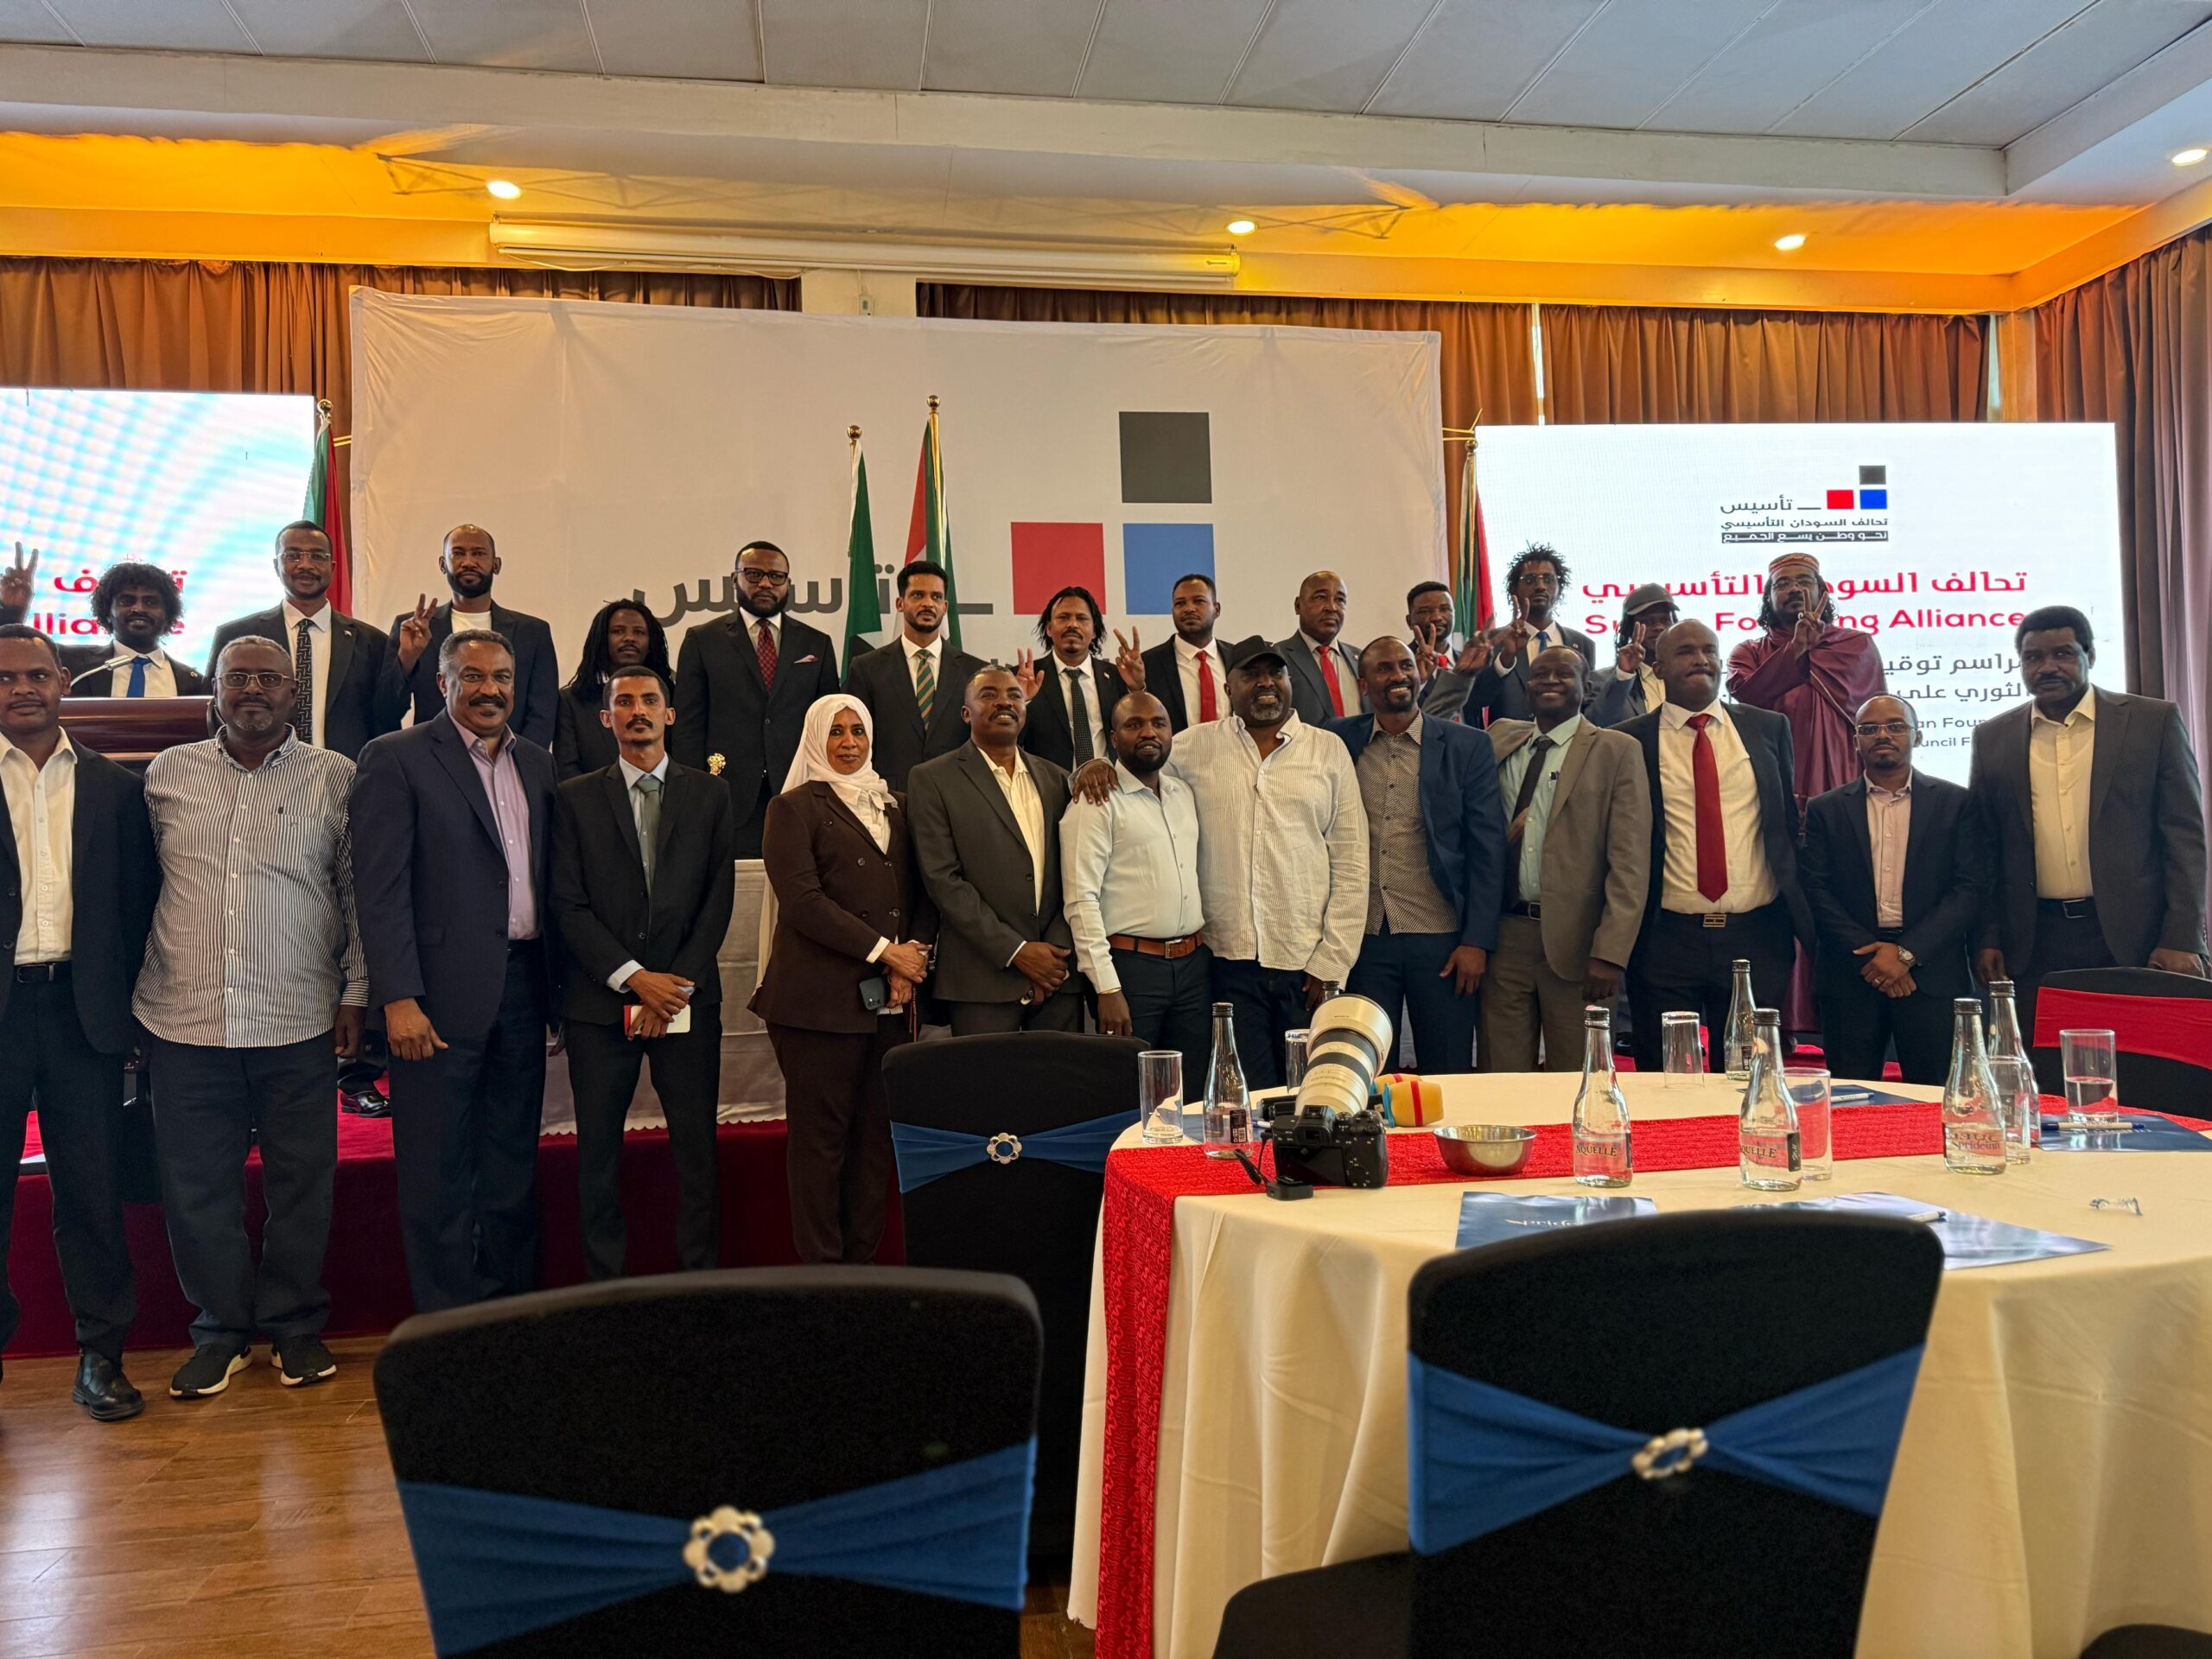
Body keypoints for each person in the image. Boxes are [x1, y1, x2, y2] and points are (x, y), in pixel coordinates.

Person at [136, 637, 366, 1397]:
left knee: (302, 1185)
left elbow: (355, 893)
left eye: (270, 678)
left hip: (298, 1015)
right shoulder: (169, 773)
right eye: (238, 677)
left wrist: (357, 992)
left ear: (294, 693)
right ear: (215, 689)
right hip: (185, 1018)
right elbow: (139, 889)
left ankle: (295, 1325)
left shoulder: (334, 776)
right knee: (198, 1189)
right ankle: (221, 1331)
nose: (253, 690)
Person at [352, 631, 560, 1313]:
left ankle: (508, 1310)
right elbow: (378, 891)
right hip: (435, 1000)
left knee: (510, 1163)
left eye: (501, 677)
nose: (489, 690)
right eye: (471, 676)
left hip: (525, 990)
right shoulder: (396, 757)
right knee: (436, 1168)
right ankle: (446, 1321)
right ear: (442, 684)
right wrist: (399, 998)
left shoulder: (538, 763)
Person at [1076, 638, 1367, 1087]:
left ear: (1290, 681)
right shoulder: (1192, 746)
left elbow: (1351, 863)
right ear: (1228, 687)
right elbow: (1138, 770)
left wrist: (1332, 962)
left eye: (1275, 673)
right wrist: (1092, 769)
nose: (1265, 683)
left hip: (1308, 964)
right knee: (1245, 1097)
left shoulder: (1328, 750)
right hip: (1226, 966)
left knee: (1312, 1092)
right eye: (1251, 675)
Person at [0, 626, 157, 1421]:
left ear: (64, 679)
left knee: (91, 1196)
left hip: (82, 1017)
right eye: (5, 678)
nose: (22, 688)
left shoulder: (116, 788)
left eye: (36, 674)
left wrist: (133, 1017)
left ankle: (102, 1356)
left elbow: (137, 910)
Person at [551, 664, 734, 1281]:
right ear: (606, 718)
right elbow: (567, 904)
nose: (638, 711)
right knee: (598, 1155)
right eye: (624, 702)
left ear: (669, 714)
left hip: (685, 1002)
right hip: (600, 1006)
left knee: (697, 1153)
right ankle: (606, 1288)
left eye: (650, 700)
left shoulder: (710, 795)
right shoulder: (574, 798)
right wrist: (635, 979)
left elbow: (717, 901)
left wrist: (671, 988)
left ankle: (697, 1282)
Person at [754, 695, 935, 1263]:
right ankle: (823, 1281)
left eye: (858, 730)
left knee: (874, 1144)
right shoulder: (792, 808)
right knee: (821, 1147)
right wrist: (887, 954)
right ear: (815, 739)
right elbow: (803, 902)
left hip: (891, 1004)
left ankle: (862, 1275)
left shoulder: (896, 805)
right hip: (816, 1007)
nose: (849, 742)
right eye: (836, 731)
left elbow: (923, 892)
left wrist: (913, 959)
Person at [1968, 605, 2208, 1028]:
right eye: (2033, 657)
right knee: (2044, 1063)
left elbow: (2184, 838)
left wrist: (2182, 936)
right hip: (2033, 941)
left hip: (2133, 936)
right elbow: (1986, 849)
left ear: (2090, 655)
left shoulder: (2152, 722)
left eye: (2062, 653)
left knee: (2138, 1060)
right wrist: (1988, 937)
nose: (2047, 667)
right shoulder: (1993, 738)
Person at [1618, 620, 1813, 1071]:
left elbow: (1784, 825)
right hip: (1665, 940)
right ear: (1658, 668)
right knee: (1666, 1084)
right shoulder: (1629, 739)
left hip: (1756, 938)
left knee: (1750, 1082)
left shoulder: (1768, 728)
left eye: (1709, 650)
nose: (1701, 660)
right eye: (1686, 651)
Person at [1330, 638, 1504, 1073]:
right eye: (1385, 668)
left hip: (1441, 938)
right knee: (1369, 1069)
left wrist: (1476, 941)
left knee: (1447, 1070)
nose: (1399, 676)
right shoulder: (1337, 740)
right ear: (1364, 684)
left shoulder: (1468, 746)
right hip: (1365, 938)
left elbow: (1487, 850)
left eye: (1406, 666)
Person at [1802, 696, 1988, 1084]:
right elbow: (1815, 890)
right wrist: (1875, 958)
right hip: (1851, 974)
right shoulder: (1826, 809)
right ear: (1855, 741)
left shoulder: (1956, 803)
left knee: (1935, 1096)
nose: (1882, 735)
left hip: (1932, 974)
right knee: (1851, 1098)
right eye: (1869, 729)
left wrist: (1906, 954)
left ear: (1917, 736)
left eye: (1896, 726)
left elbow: (1969, 889)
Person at [1482, 646, 1651, 1071]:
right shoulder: (1500, 738)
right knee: (1500, 1078)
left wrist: (1610, 953)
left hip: (1579, 944)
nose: (1550, 681)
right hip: (1505, 939)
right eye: (1540, 675)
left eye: (1563, 674)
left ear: (1586, 687)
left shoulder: (1616, 750)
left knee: (1578, 1077)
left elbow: (1630, 862)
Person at [908, 666, 1079, 1033]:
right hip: (981, 978)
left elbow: (1076, 873)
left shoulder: (1057, 778)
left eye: (1015, 695)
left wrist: (1052, 951)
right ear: (965, 713)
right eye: (988, 695)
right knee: (986, 1074)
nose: (1004, 702)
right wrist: (1017, 951)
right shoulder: (932, 779)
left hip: (1057, 974)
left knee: (1061, 1074)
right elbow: (943, 880)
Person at [1061, 690, 1208, 1083]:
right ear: (1113, 737)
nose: (1149, 732)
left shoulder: (1183, 794)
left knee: (1191, 1089)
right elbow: (1081, 900)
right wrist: (1107, 988)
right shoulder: (1095, 801)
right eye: (1134, 724)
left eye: (1159, 724)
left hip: (1193, 967)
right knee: (1131, 1090)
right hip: (1132, 970)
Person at [671, 539, 842, 856]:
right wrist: (693, 794)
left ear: (788, 583)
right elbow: (687, 727)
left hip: (799, 790)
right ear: (734, 579)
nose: (765, 583)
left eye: (776, 576)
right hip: (727, 794)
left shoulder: (816, 643)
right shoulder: (703, 640)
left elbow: (829, 724)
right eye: (754, 574)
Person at [206, 522, 396, 758]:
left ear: (332, 567)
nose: (305, 565)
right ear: (276, 566)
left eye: (317, 556)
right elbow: (212, 713)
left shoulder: (372, 642)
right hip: (255, 771)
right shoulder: (235, 636)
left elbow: (386, 717)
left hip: (345, 773)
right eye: (293, 555)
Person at [1726, 554, 1886, 815]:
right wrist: (1796, 648)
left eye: (1804, 581)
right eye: (1782, 584)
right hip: (1775, 780)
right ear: (1768, 598)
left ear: (1822, 592)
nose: (1795, 589)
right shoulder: (1749, 652)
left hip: (1846, 778)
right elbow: (1747, 694)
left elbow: (1877, 719)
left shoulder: (1857, 646)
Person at [381, 524, 560, 747]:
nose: (468, 562)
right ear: (442, 564)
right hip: (432, 758)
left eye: (479, 553)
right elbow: (386, 711)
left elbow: (543, 713)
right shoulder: (414, 629)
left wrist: (519, 760)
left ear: (496, 564)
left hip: (508, 758)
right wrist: (406, 660)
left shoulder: (532, 633)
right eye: (458, 553)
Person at [842, 561, 984, 791]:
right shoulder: (866, 668)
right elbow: (858, 738)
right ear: (900, 603)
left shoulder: (975, 672)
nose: (928, 603)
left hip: (957, 794)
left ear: (945, 607)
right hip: (889, 795)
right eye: (918, 595)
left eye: (936, 597)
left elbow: (990, 740)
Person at [1465, 545, 1599, 722]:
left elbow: (1588, 706)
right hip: (1510, 739)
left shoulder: (1582, 644)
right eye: (1530, 580)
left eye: (1548, 579)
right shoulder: (1492, 641)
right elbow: (1474, 702)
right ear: (1514, 590)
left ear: (1560, 589)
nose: (1540, 587)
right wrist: (1505, 660)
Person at [1020, 585, 1147, 773]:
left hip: (1111, 787)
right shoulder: (1026, 679)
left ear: (1094, 630)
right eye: (1063, 617)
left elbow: (1141, 733)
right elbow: (1008, 744)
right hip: (1049, 786)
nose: (1072, 624)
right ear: (1049, 628)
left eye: (1082, 618)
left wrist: (1136, 689)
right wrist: (1019, 702)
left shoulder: (1117, 677)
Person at [556, 598, 672, 780]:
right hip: (593, 797)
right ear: (602, 640)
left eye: (639, 632)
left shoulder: (672, 696)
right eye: (618, 631)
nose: (629, 638)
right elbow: (567, 769)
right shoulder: (572, 701)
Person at [62, 562, 209, 698]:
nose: (139, 609)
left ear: (168, 615)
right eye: (127, 601)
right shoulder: (76, 668)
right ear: (107, 612)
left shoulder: (193, 683)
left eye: (151, 602)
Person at [1139, 571, 1228, 733]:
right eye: (1180, 603)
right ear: (1172, 611)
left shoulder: (1238, 658)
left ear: (1217, 609)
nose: (1189, 609)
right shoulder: (1149, 664)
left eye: (1199, 601)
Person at [1276, 570, 1366, 726]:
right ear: (1298, 605)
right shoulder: (1278, 657)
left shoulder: (1362, 659)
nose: (1332, 607)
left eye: (1340, 600)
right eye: (1320, 597)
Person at [1587, 583, 1678, 728]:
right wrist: (1624, 675)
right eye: (1648, 622)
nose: (1658, 627)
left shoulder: (1685, 677)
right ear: (1629, 629)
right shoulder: (1602, 680)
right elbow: (1597, 726)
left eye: (1665, 621)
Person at [1402, 580, 1487, 720]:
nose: (1437, 617)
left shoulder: (1469, 662)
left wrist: (1506, 659)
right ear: (1409, 621)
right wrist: (1419, 682)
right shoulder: (1400, 666)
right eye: (1425, 611)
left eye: (1445, 609)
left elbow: (1482, 700)